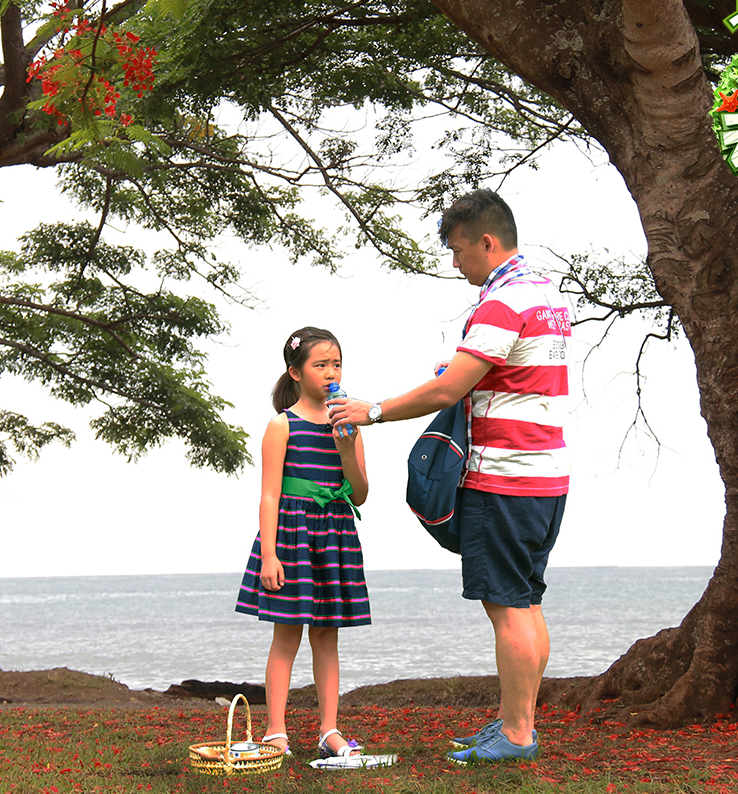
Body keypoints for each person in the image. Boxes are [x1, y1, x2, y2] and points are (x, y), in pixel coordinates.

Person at [330, 189, 571, 765]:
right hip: (547, 476)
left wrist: (375, 410)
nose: (455, 262)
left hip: (504, 477)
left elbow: (447, 389)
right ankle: (519, 722)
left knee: (507, 607)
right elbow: (507, 373)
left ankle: (516, 736)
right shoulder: (543, 296)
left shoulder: (501, 302)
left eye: (459, 251)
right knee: (527, 603)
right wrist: (464, 373)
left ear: (488, 243)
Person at [233, 326, 371, 760]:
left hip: (333, 535)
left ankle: (329, 729)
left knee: (328, 638)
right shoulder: (282, 425)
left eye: (337, 363)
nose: (331, 372)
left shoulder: (349, 422)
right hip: (292, 537)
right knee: (286, 636)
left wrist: (346, 448)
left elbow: (361, 493)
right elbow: (269, 494)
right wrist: (269, 555)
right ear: (295, 372)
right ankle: (276, 731)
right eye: (321, 364)